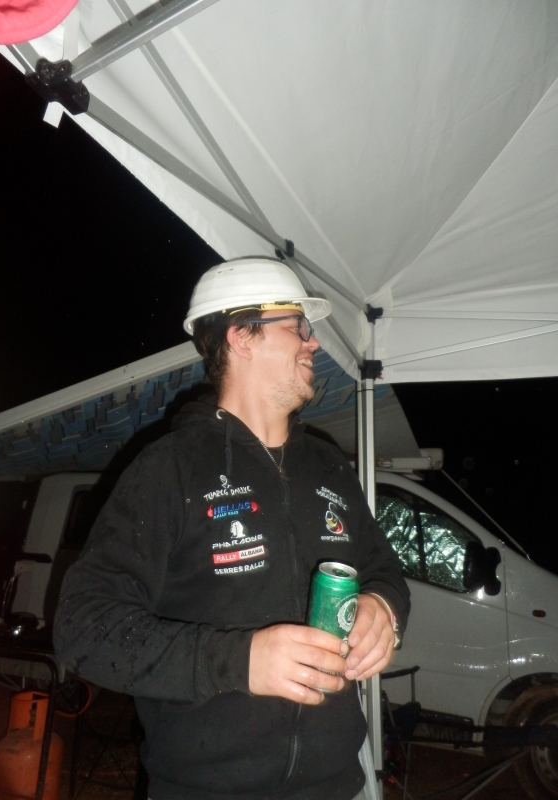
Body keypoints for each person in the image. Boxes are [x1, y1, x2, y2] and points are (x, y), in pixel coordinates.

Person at [54, 257, 410, 800]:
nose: (314, 343)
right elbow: (82, 626)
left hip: (336, 786)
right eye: (298, 326)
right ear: (242, 337)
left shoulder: (330, 465)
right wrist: (240, 662)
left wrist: (383, 607)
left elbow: (384, 570)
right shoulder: (169, 469)